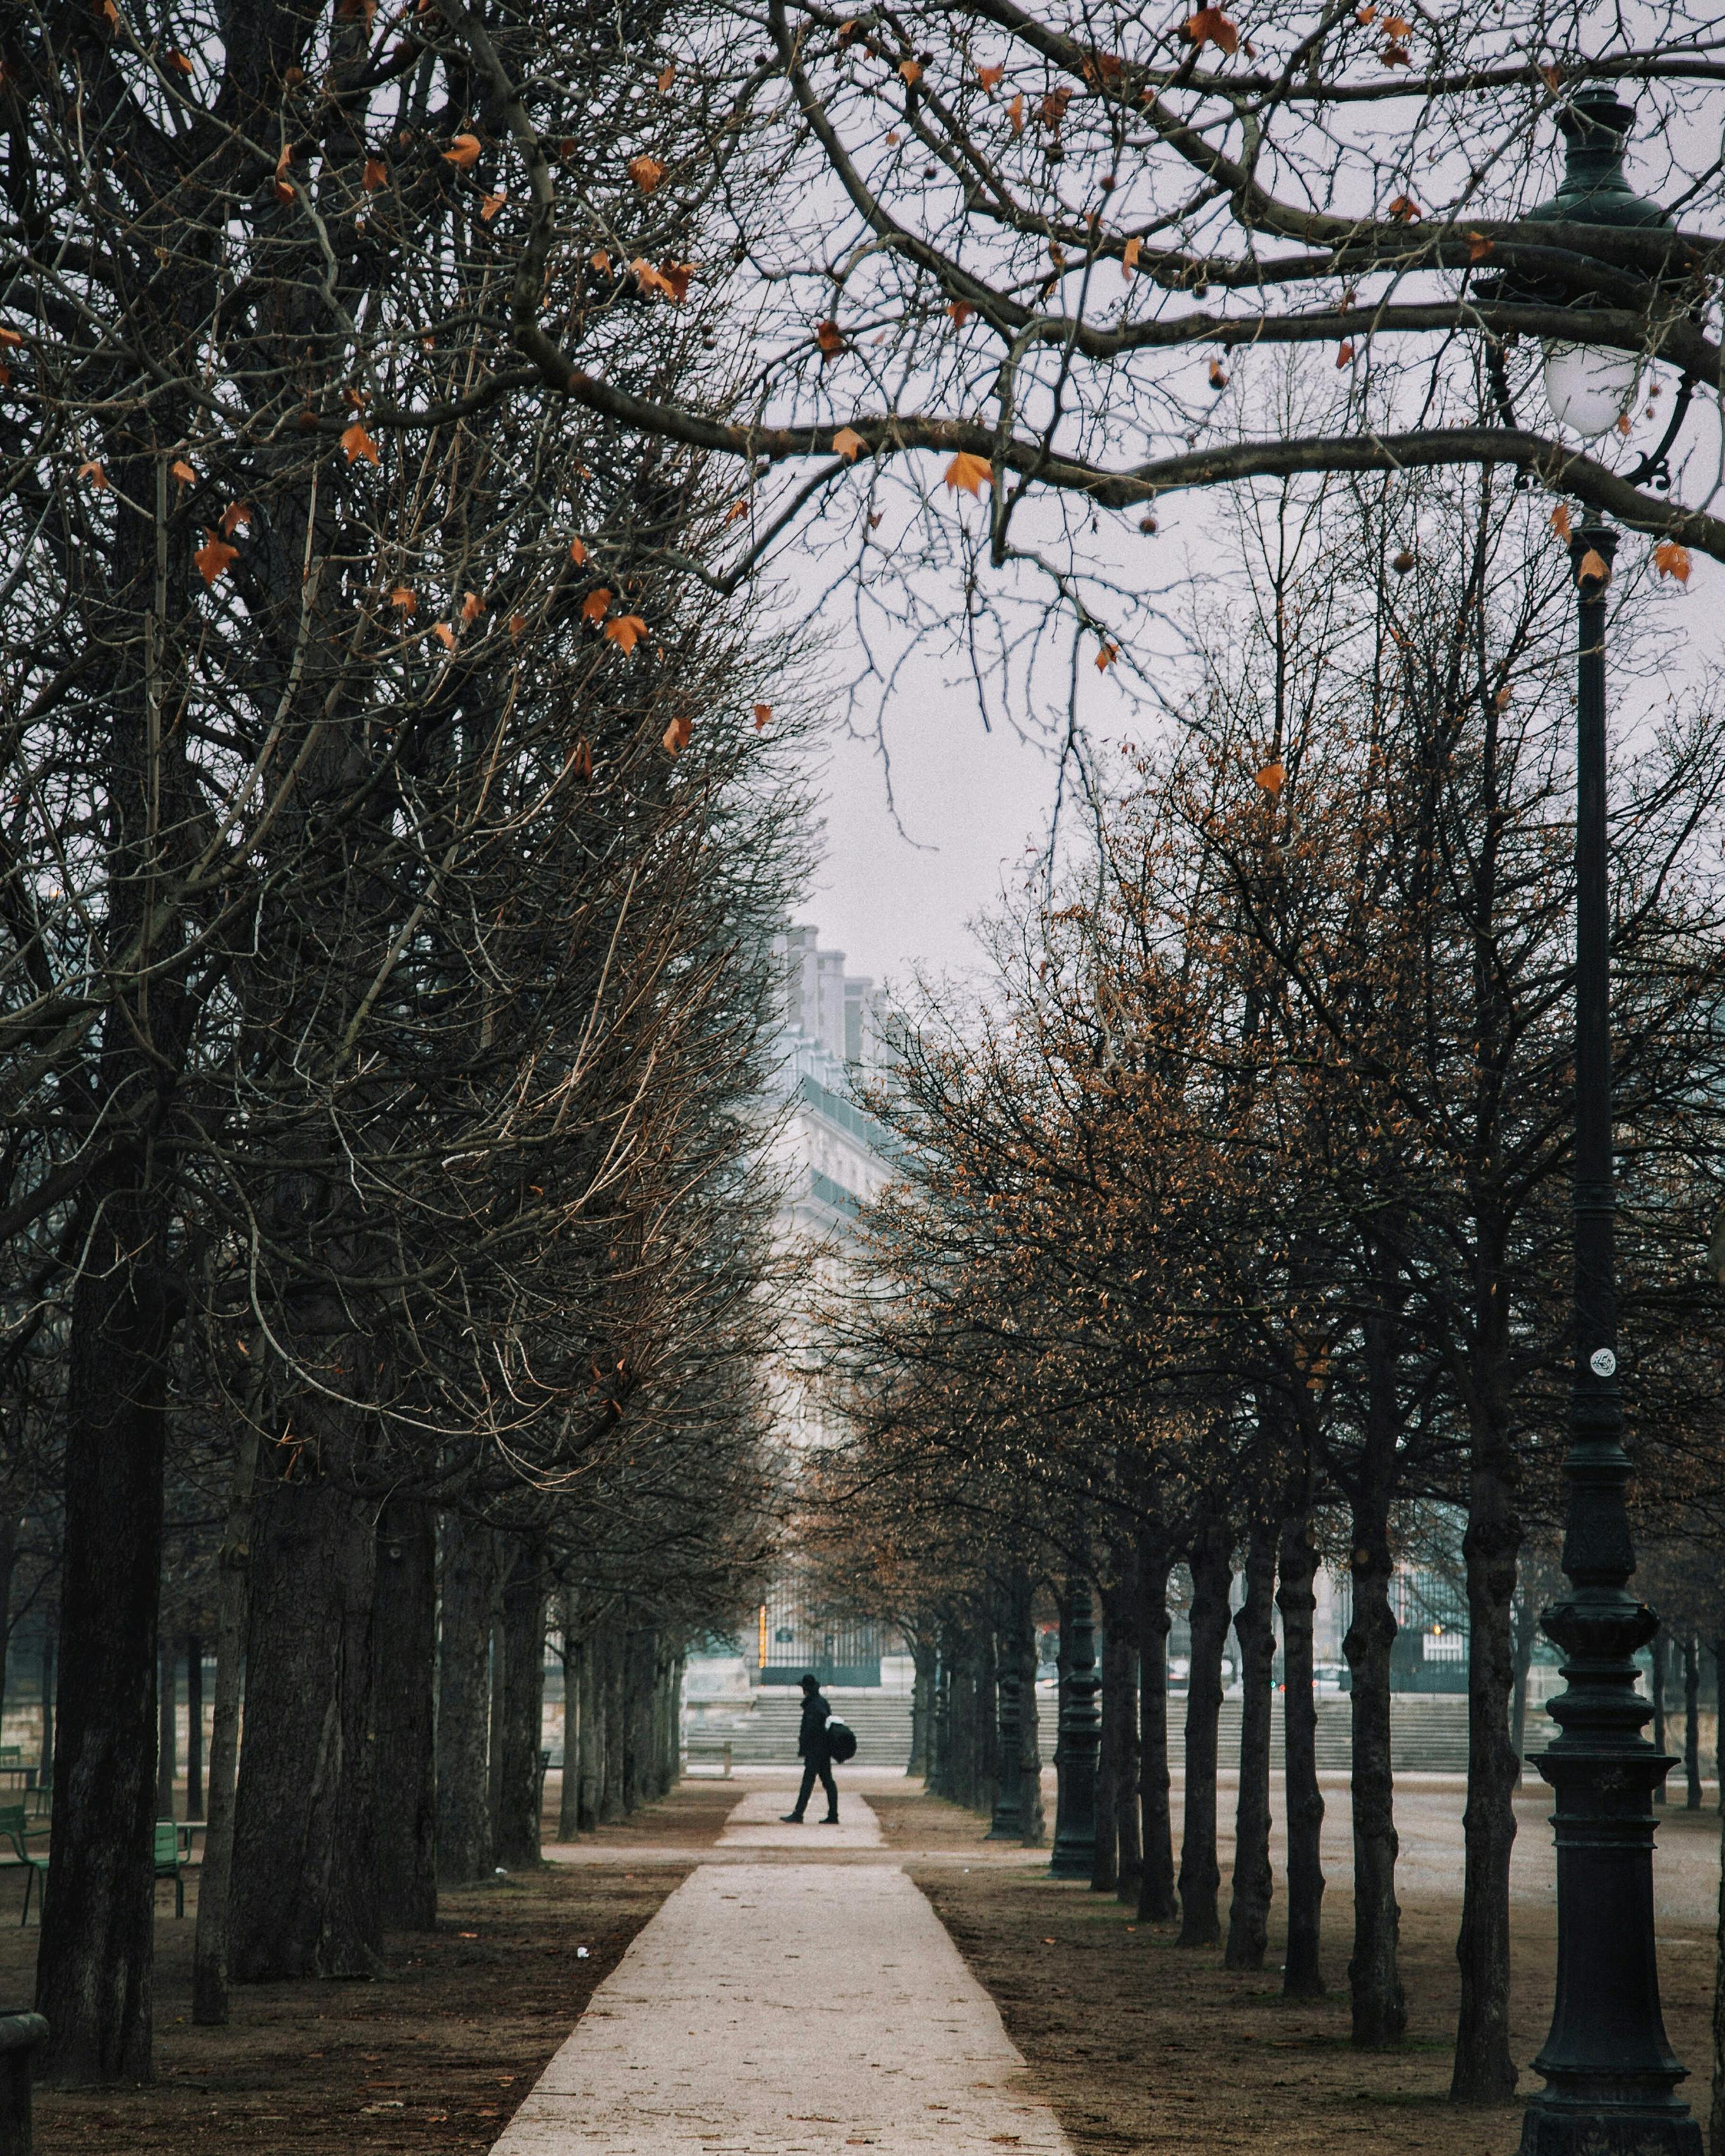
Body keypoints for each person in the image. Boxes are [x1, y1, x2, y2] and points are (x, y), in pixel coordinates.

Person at [780, 1672, 839, 1823]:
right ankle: (833, 1815)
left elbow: (811, 1730)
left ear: (806, 1690)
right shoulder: (821, 1702)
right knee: (827, 1781)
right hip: (822, 1749)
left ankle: (799, 1814)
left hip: (816, 1750)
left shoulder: (814, 1705)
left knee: (809, 1782)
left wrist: (806, 1746)